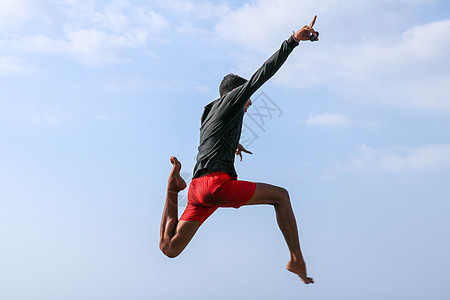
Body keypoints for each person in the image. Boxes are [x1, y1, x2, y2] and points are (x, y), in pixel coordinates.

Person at [160, 16, 319, 284]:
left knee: (170, 249)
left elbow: (210, 139)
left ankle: (172, 188)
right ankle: (296, 259)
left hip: (198, 188)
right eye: (246, 98)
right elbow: (263, 74)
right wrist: (293, 41)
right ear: (235, 94)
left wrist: (233, 144)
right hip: (215, 186)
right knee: (281, 196)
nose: (250, 103)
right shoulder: (231, 102)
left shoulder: (209, 112)